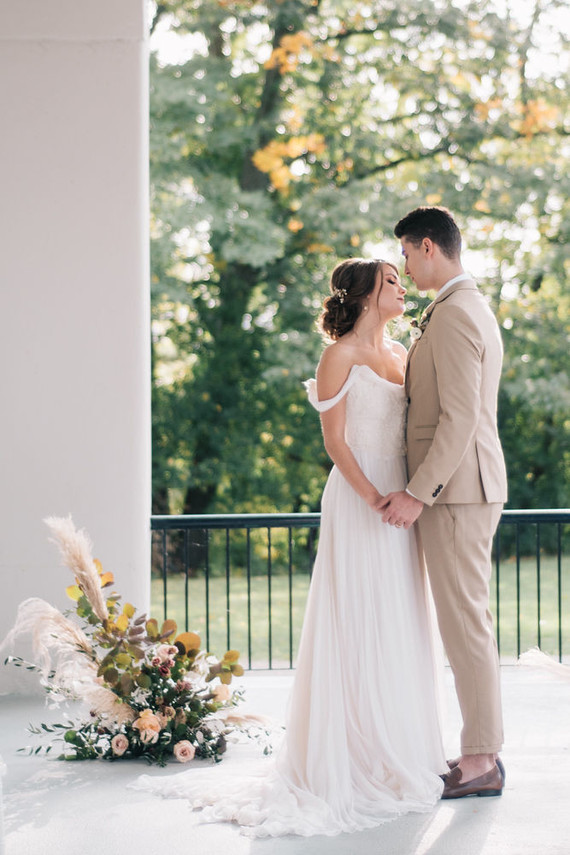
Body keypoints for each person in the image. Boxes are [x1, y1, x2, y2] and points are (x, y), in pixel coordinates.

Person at [135, 258, 448, 836]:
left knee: (401, 616)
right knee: (356, 615)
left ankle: (397, 745)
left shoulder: (404, 355)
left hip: (403, 494)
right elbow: (335, 443)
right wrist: (376, 497)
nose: (403, 288)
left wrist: (409, 493)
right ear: (363, 296)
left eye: (402, 279)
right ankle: (347, 755)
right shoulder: (339, 357)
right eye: (391, 282)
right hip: (360, 497)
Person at [379, 206, 507, 799]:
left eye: (405, 253)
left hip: (455, 494)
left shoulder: (455, 315)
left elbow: (458, 420)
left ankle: (481, 760)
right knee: (464, 623)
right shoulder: (459, 308)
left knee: (465, 626)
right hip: (459, 491)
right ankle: (479, 751)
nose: (404, 264)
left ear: (427, 246)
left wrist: (415, 493)